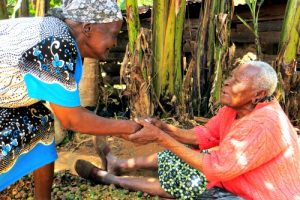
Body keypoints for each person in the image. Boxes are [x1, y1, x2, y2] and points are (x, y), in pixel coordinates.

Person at [75, 61, 300, 200]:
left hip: (259, 194)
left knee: (192, 184)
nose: (227, 83)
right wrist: (164, 128)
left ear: (259, 94)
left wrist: (160, 137)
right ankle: (119, 165)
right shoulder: (236, 109)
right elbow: (203, 136)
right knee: (187, 158)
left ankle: (107, 178)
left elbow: (218, 169)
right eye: (230, 77)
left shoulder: (263, 123)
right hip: (234, 174)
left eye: (236, 81)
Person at [0, 0, 141, 199]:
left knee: (38, 120)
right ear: (88, 28)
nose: (115, 43)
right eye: (114, 35)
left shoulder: (62, 37)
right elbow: (72, 119)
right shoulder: (56, 44)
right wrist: (129, 128)